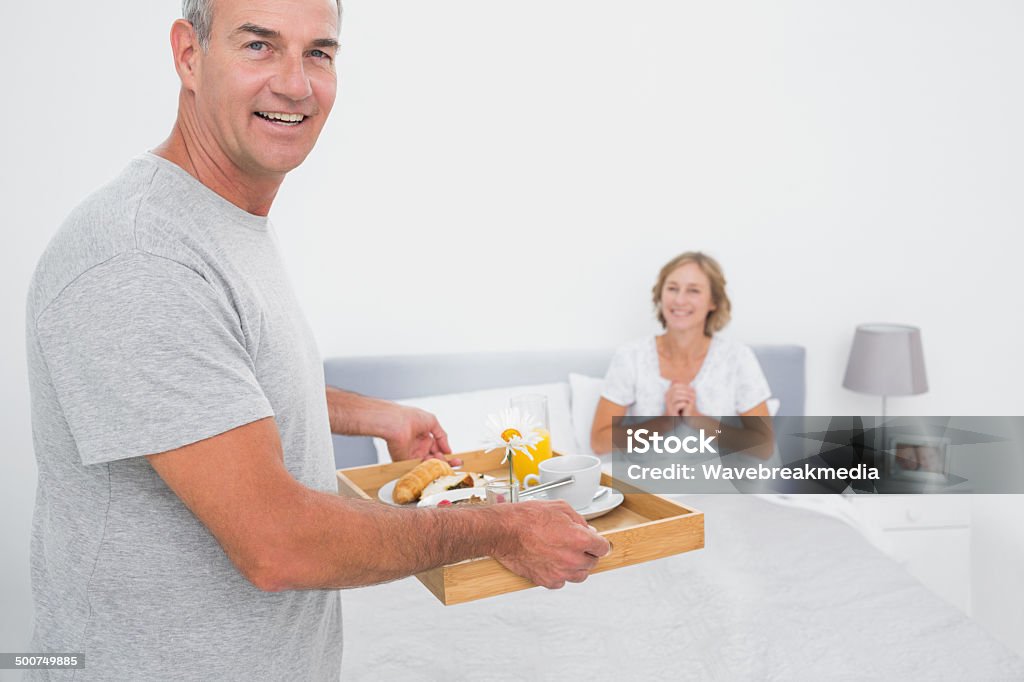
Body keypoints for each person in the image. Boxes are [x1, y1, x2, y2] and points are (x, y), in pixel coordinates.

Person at [24, 0, 609, 679]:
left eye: (319, 53)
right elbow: (279, 545)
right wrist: (505, 526)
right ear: (189, 54)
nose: (296, 84)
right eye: (259, 46)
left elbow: (221, 386)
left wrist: (374, 415)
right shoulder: (141, 256)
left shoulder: (218, 221)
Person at [591, 251, 774, 457]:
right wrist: (666, 422)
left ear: (713, 301)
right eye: (672, 288)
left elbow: (763, 447)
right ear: (660, 295)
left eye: (693, 290)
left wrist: (698, 420)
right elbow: (599, 441)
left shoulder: (737, 358)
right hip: (647, 483)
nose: (679, 300)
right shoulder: (631, 356)